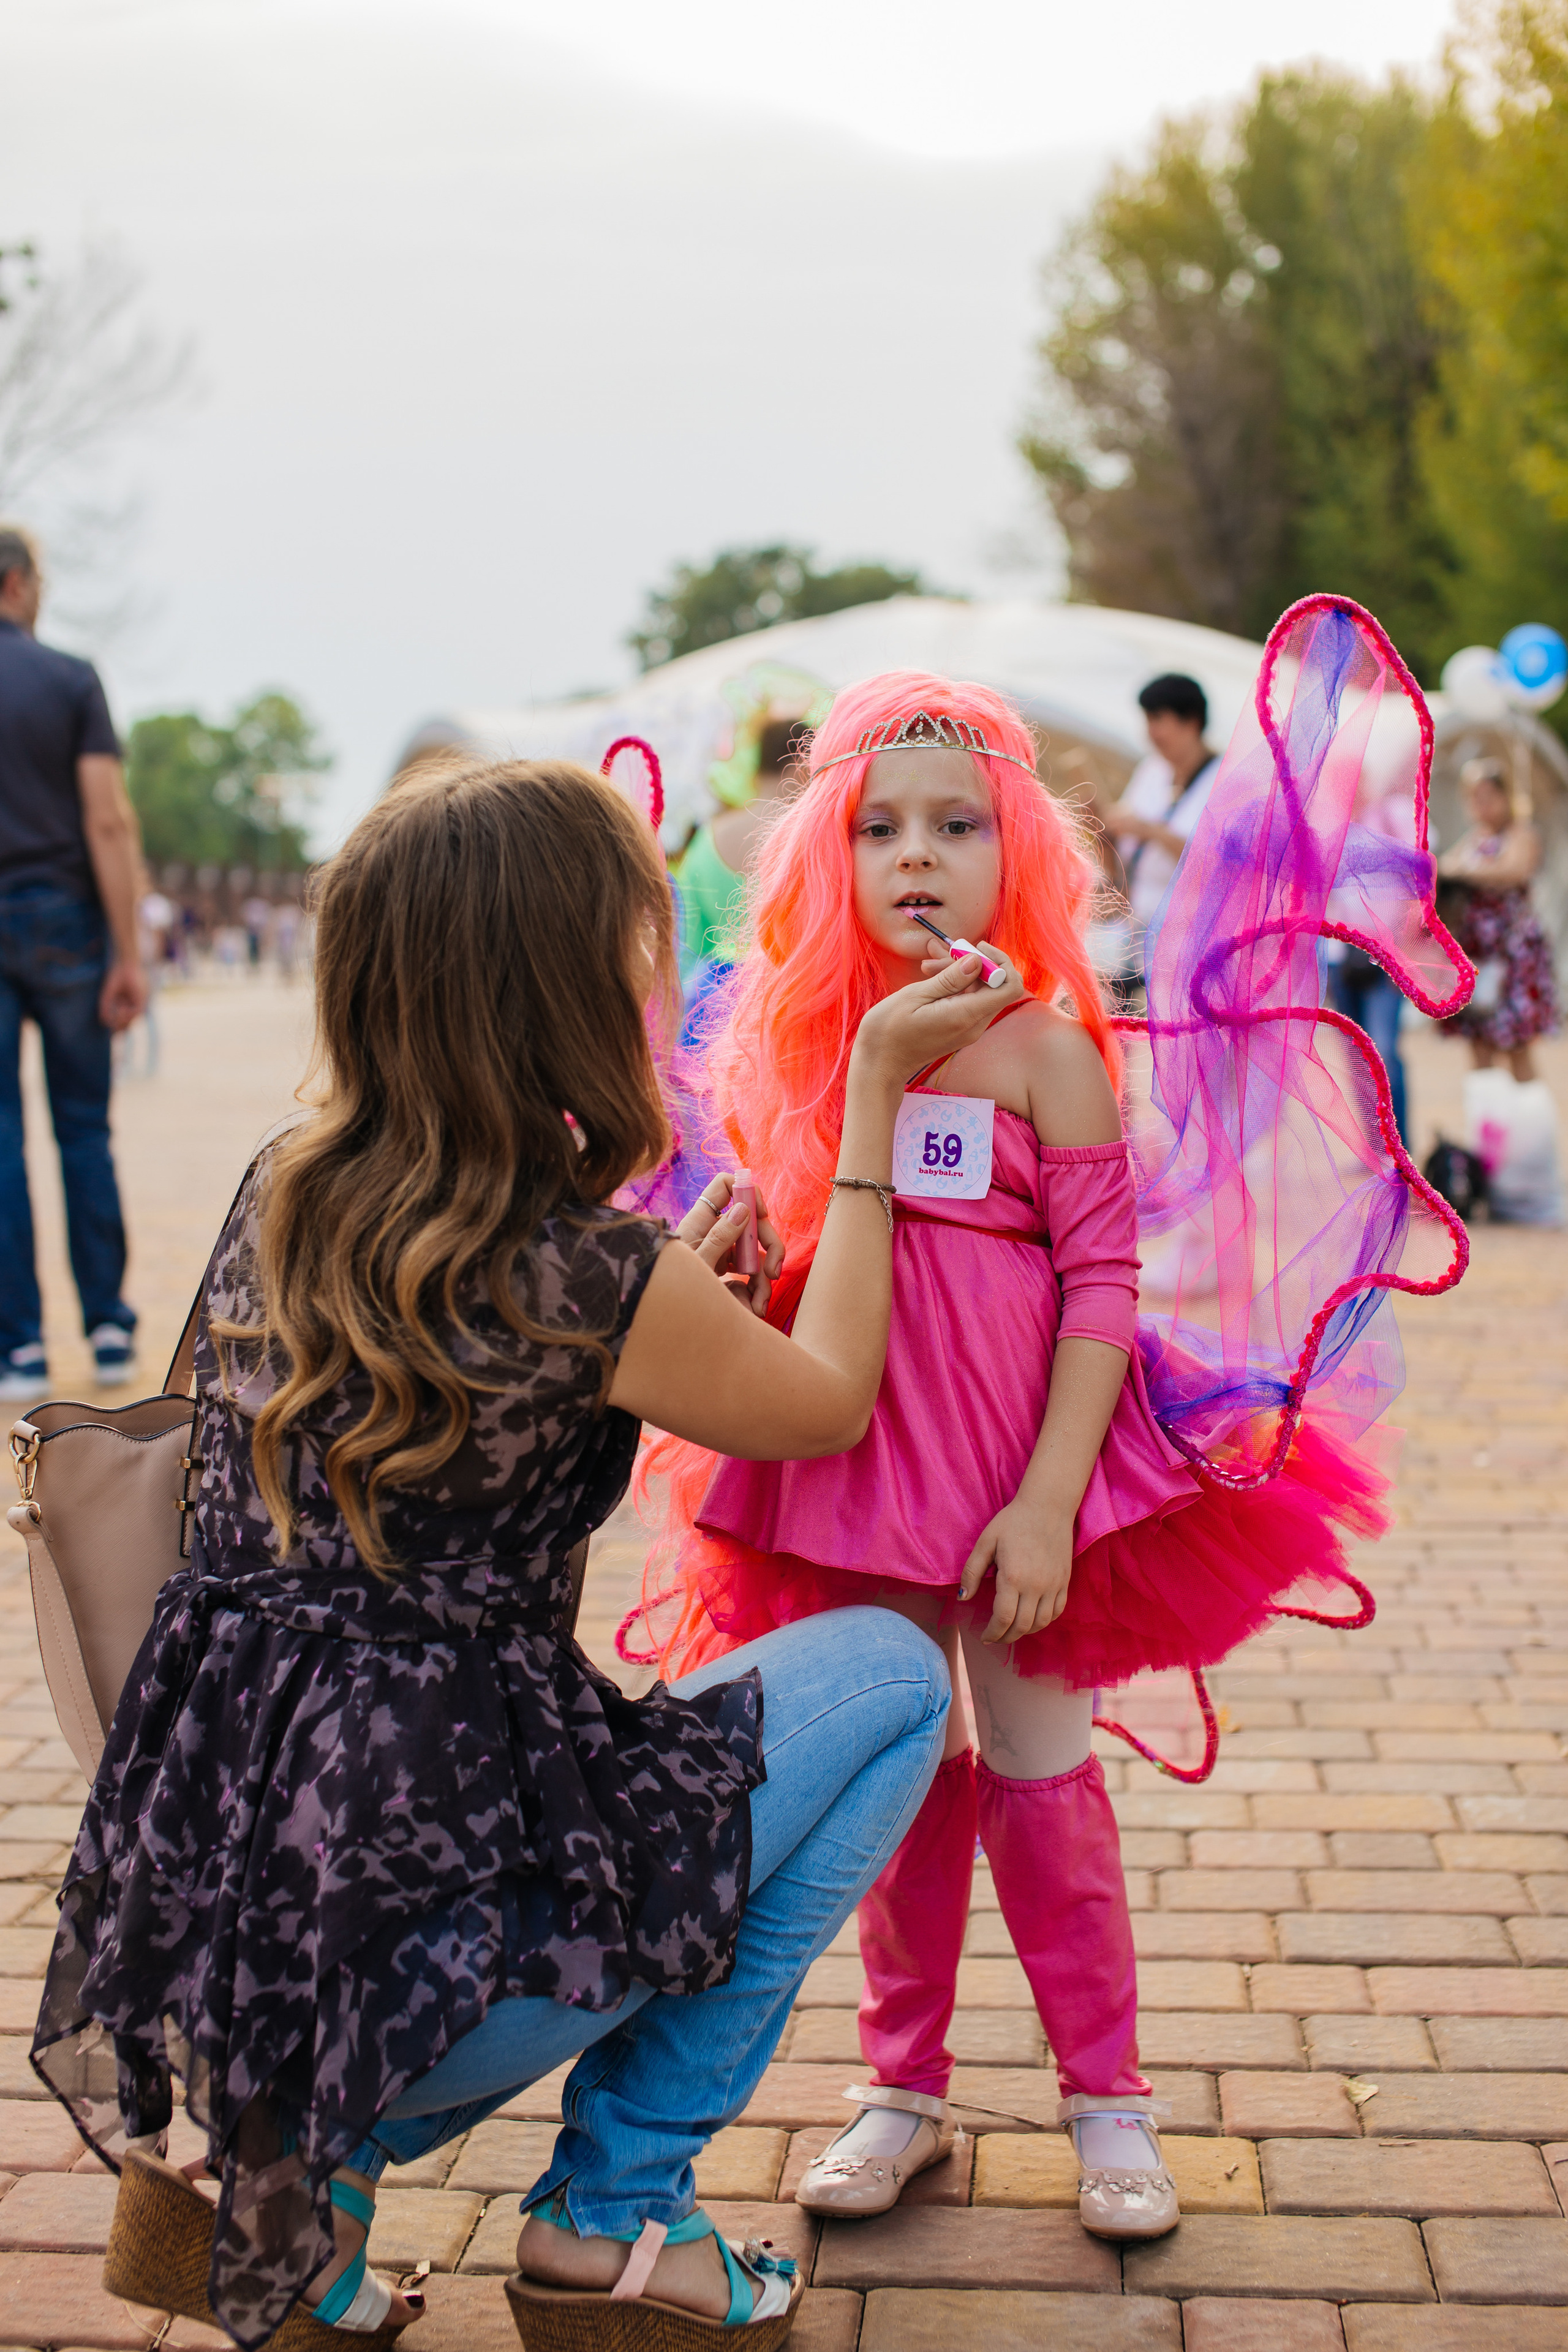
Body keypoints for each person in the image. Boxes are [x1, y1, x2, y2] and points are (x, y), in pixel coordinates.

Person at [32, 755, 1016, 2348]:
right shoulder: (585, 1271)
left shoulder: (282, 1191)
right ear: (561, 981)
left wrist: (666, 1288)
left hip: (231, 1948)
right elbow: (827, 1400)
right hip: (445, 1977)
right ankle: (616, 2210)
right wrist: (880, 1109)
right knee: (896, 1683)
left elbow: (486, 1352)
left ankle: (300, 2186)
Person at [628, 671, 1400, 2248]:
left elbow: (1100, 1285)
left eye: (957, 824)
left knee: (1044, 1776)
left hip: (1024, 1474)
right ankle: (899, 2089)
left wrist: (1048, 1497)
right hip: (854, 1478)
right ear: (824, 856)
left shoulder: (1053, 1052)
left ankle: (1104, 2098)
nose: (917, 855)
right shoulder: (796, 1045)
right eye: (879, 826)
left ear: (1020, 851)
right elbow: (774, 1261)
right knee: (894, 1779)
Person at [0, 525, 146, 1400]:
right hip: (63, 919)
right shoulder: (69, 680)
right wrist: (128, 952)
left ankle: (16, 1341)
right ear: (19, 584)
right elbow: (108, 821)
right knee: (84, 1128)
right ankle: (106, 1327)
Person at [1438, 755, 1559, 1080]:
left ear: (1506, 798)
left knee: (1517, 1046)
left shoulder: (1521, 833)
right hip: (1479, 953)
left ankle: (1529, 1127)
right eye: (1475, 798)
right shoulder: (1474, 840)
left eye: (1489, 796)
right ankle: (1490, 1125)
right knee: (1479, 1045)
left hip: (1514, 953)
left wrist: (1463, 872)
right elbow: (1444, 868)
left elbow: (1510, 870)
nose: (1482, 805)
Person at [1100, 674, 1220, 990]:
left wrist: (1150, 831)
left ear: (1191, 722)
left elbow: (1218, 860)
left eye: (1158, 720)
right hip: (1140, 931)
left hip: (1196, 938)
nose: (1151, 733)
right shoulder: (1152, 770)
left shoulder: (1227, 780)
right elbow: (1125, 845)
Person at [675, 717, 802, 987]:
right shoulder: (814, 833)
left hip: (721, 1001)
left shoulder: (705, 840)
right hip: (801, 992)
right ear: (802, 766)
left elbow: (688, 945)